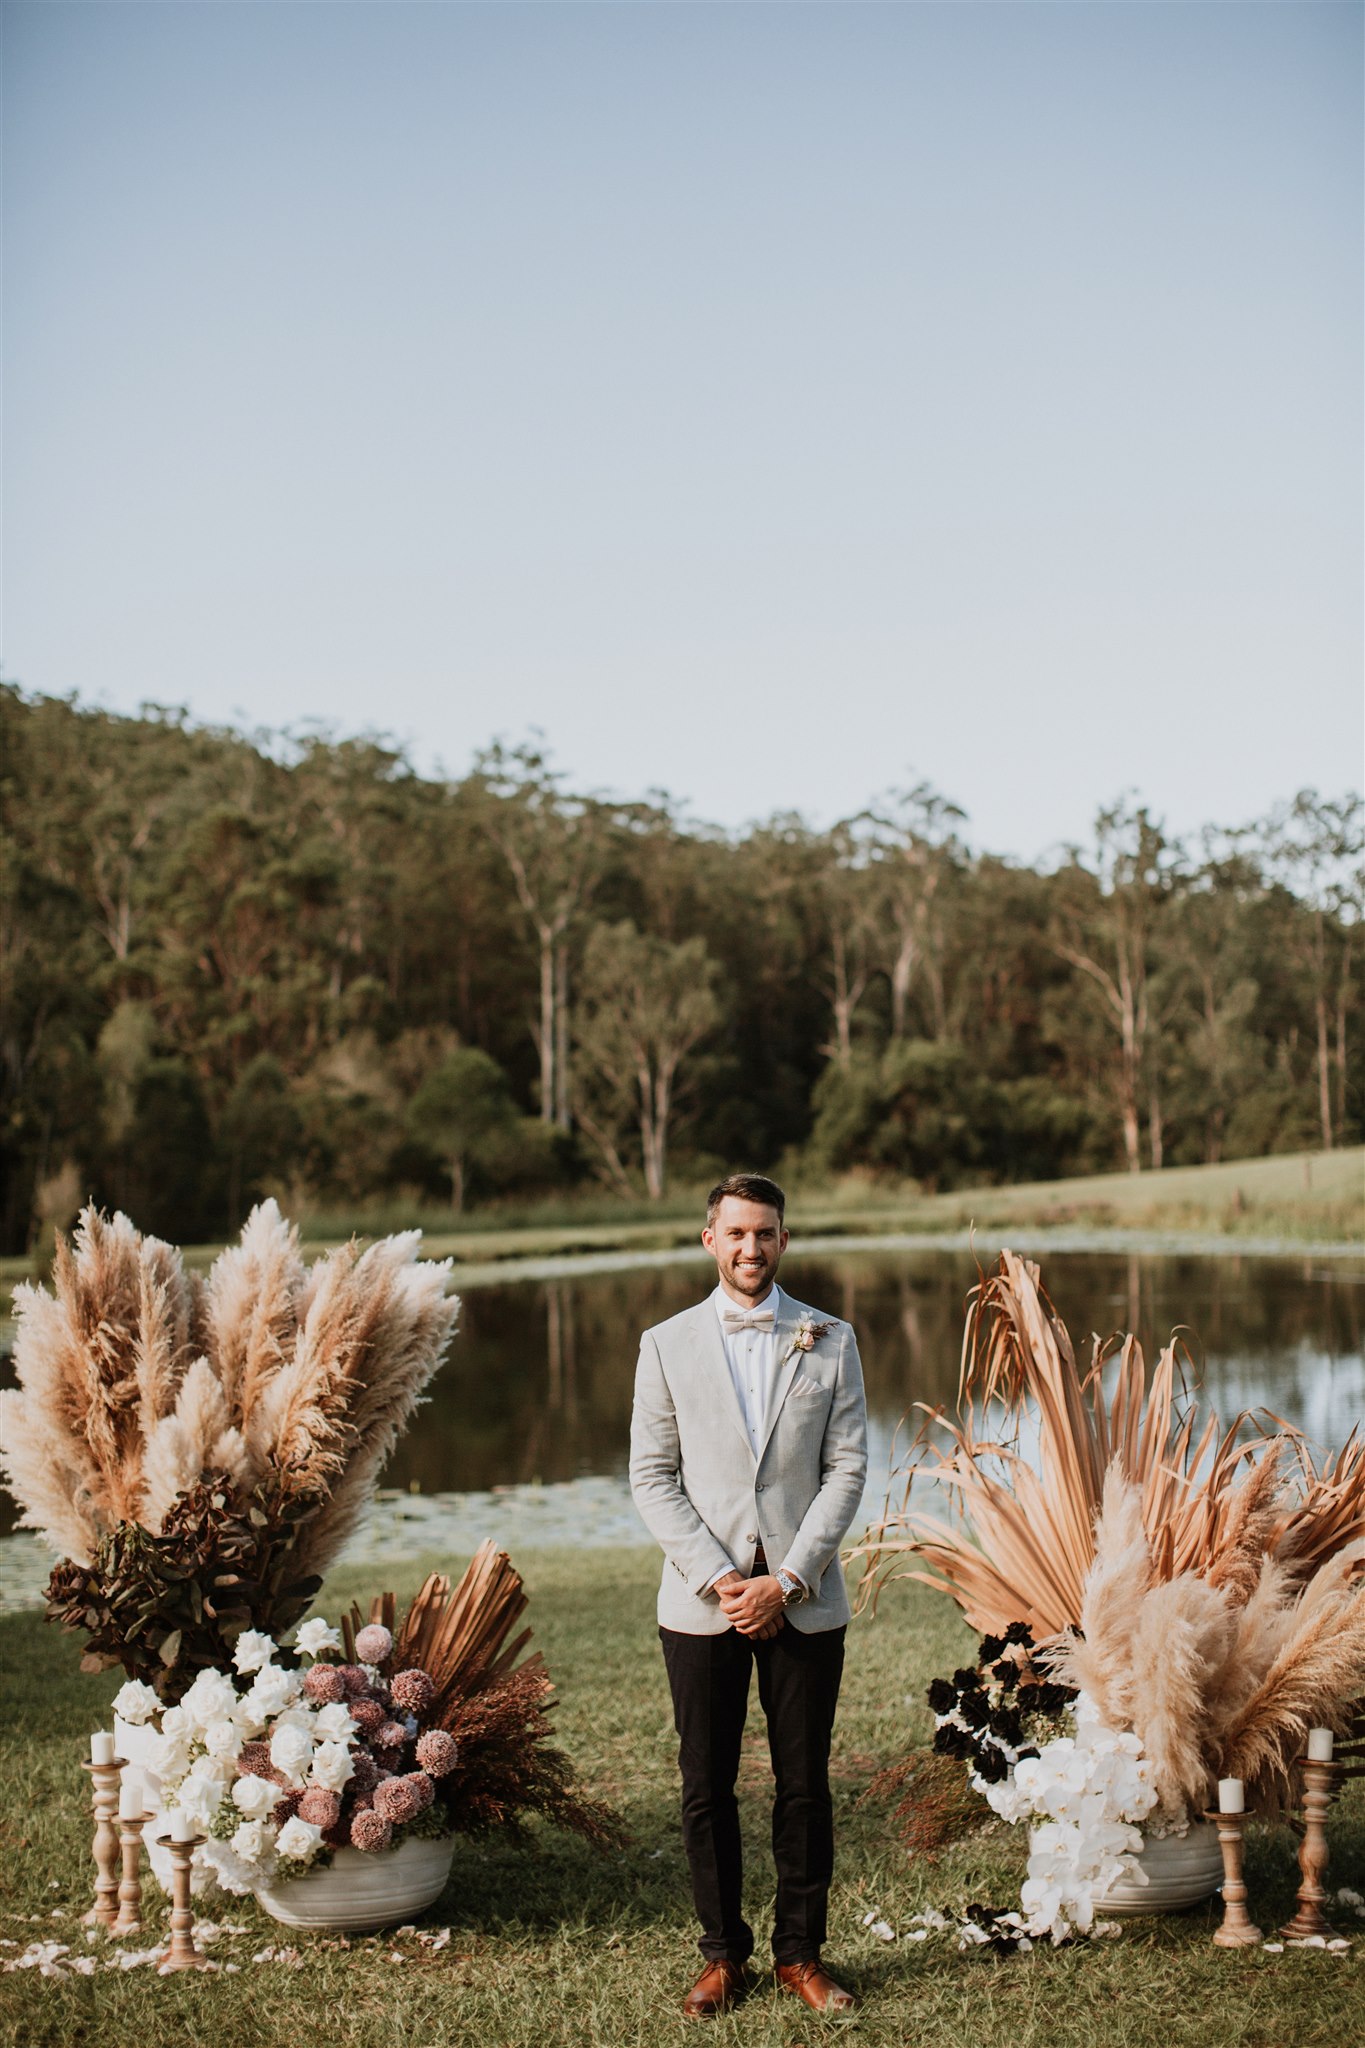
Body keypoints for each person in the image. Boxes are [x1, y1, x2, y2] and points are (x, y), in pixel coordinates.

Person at [629, 1172, 868, 2018]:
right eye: (735, 1233)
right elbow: (652, 1478)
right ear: (709, 1240)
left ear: (783, 1240)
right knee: (706, 1784)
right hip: (703, 1603)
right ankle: (721, 1955)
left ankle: (800, 1954)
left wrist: (789, 1578)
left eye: (764, 1233)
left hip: (803, 1596)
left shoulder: (829, 1338)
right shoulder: (664, 1344)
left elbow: (846, 1469)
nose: (750, 1248)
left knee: (804, 1783)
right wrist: (727, 1581)